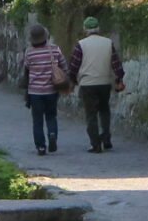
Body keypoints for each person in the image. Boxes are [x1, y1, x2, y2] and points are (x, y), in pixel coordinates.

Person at [18, 23, 74, 153]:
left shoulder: (29, 52)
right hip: (52, 90)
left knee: (37, 120)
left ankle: (41, 146)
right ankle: (52, 134)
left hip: (35, 92)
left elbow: (26, 68)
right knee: (51, 115)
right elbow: (64, 67)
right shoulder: (54, 49)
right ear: (45, 36)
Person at [73, 15, 124, 153]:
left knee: (91, 114)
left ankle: (95, 144)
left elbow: (74, 65)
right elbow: (116, 63)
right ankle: (106, 138)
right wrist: (119, 79)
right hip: (104, 82)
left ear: (85, 29)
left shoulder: (81, 44)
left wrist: (72, 80)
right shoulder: (108, 43)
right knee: (104, 110)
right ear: (98, 28)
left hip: (87, 84)